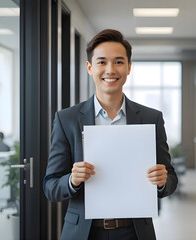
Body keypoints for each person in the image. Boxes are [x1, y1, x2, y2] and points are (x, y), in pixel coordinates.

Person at [43, 29, 178, 240]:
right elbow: (50, 186)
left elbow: (170, 178)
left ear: (129, 67)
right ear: (90, 67)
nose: (110, 70)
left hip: (134, 232)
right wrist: (72, 180)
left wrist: (162, 182)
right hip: (84, 233)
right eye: (102, 62)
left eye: (118, 62)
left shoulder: (152, 118)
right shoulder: (66, 119)